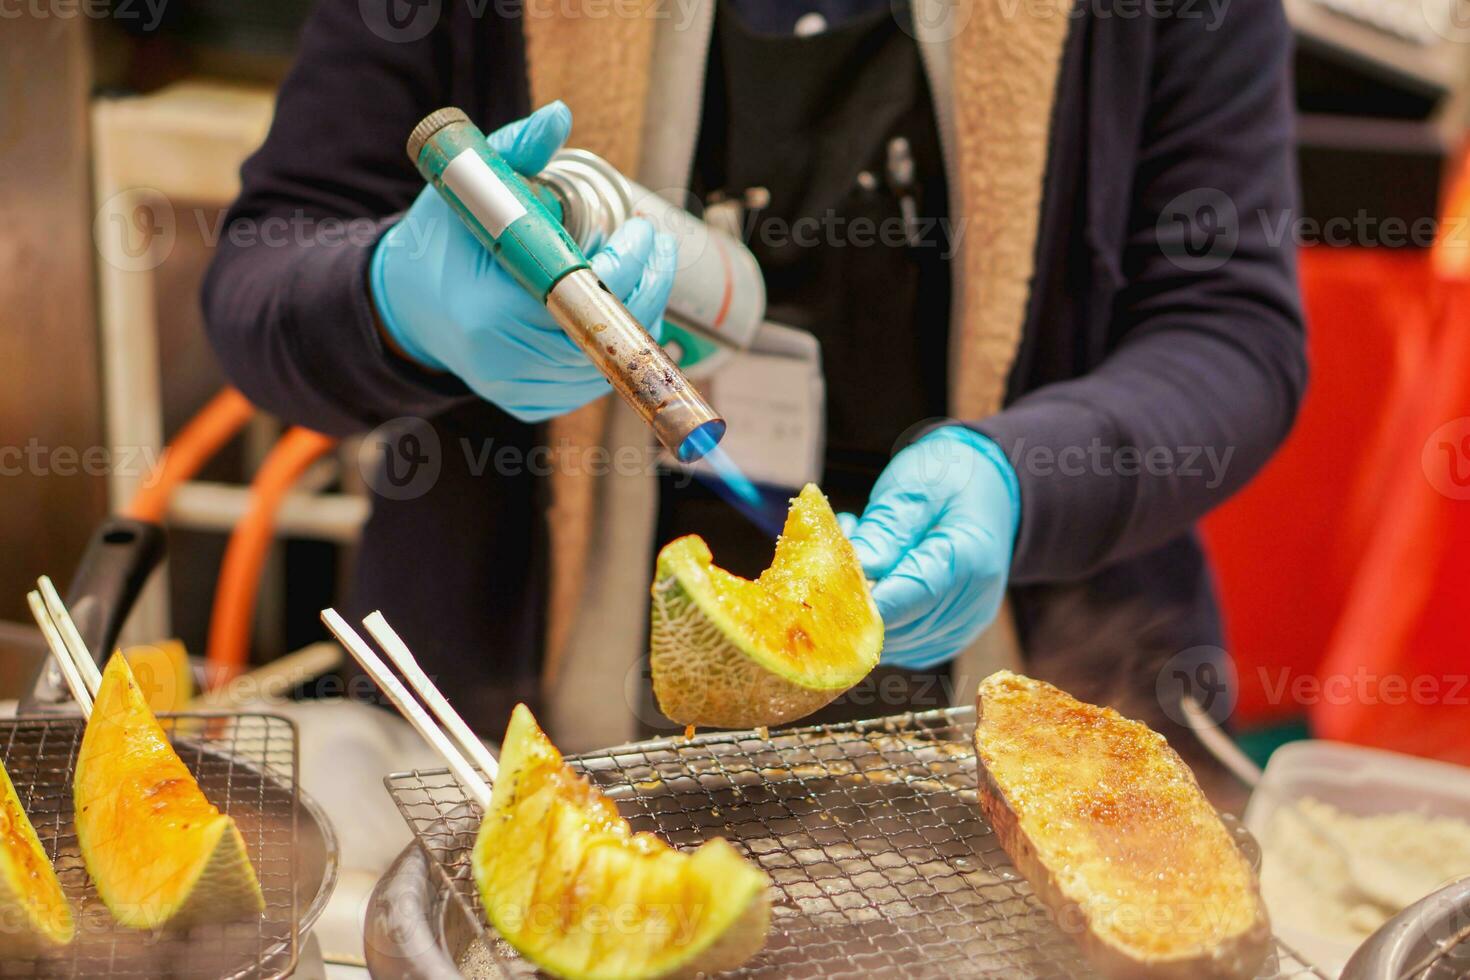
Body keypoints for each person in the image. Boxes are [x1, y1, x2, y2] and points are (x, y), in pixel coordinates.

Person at [204, 0, 1305, 763]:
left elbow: (1230, 329)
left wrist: (1024, 479)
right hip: (528, 726)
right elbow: (256, 282)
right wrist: (399, 300)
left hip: (1018, 725)